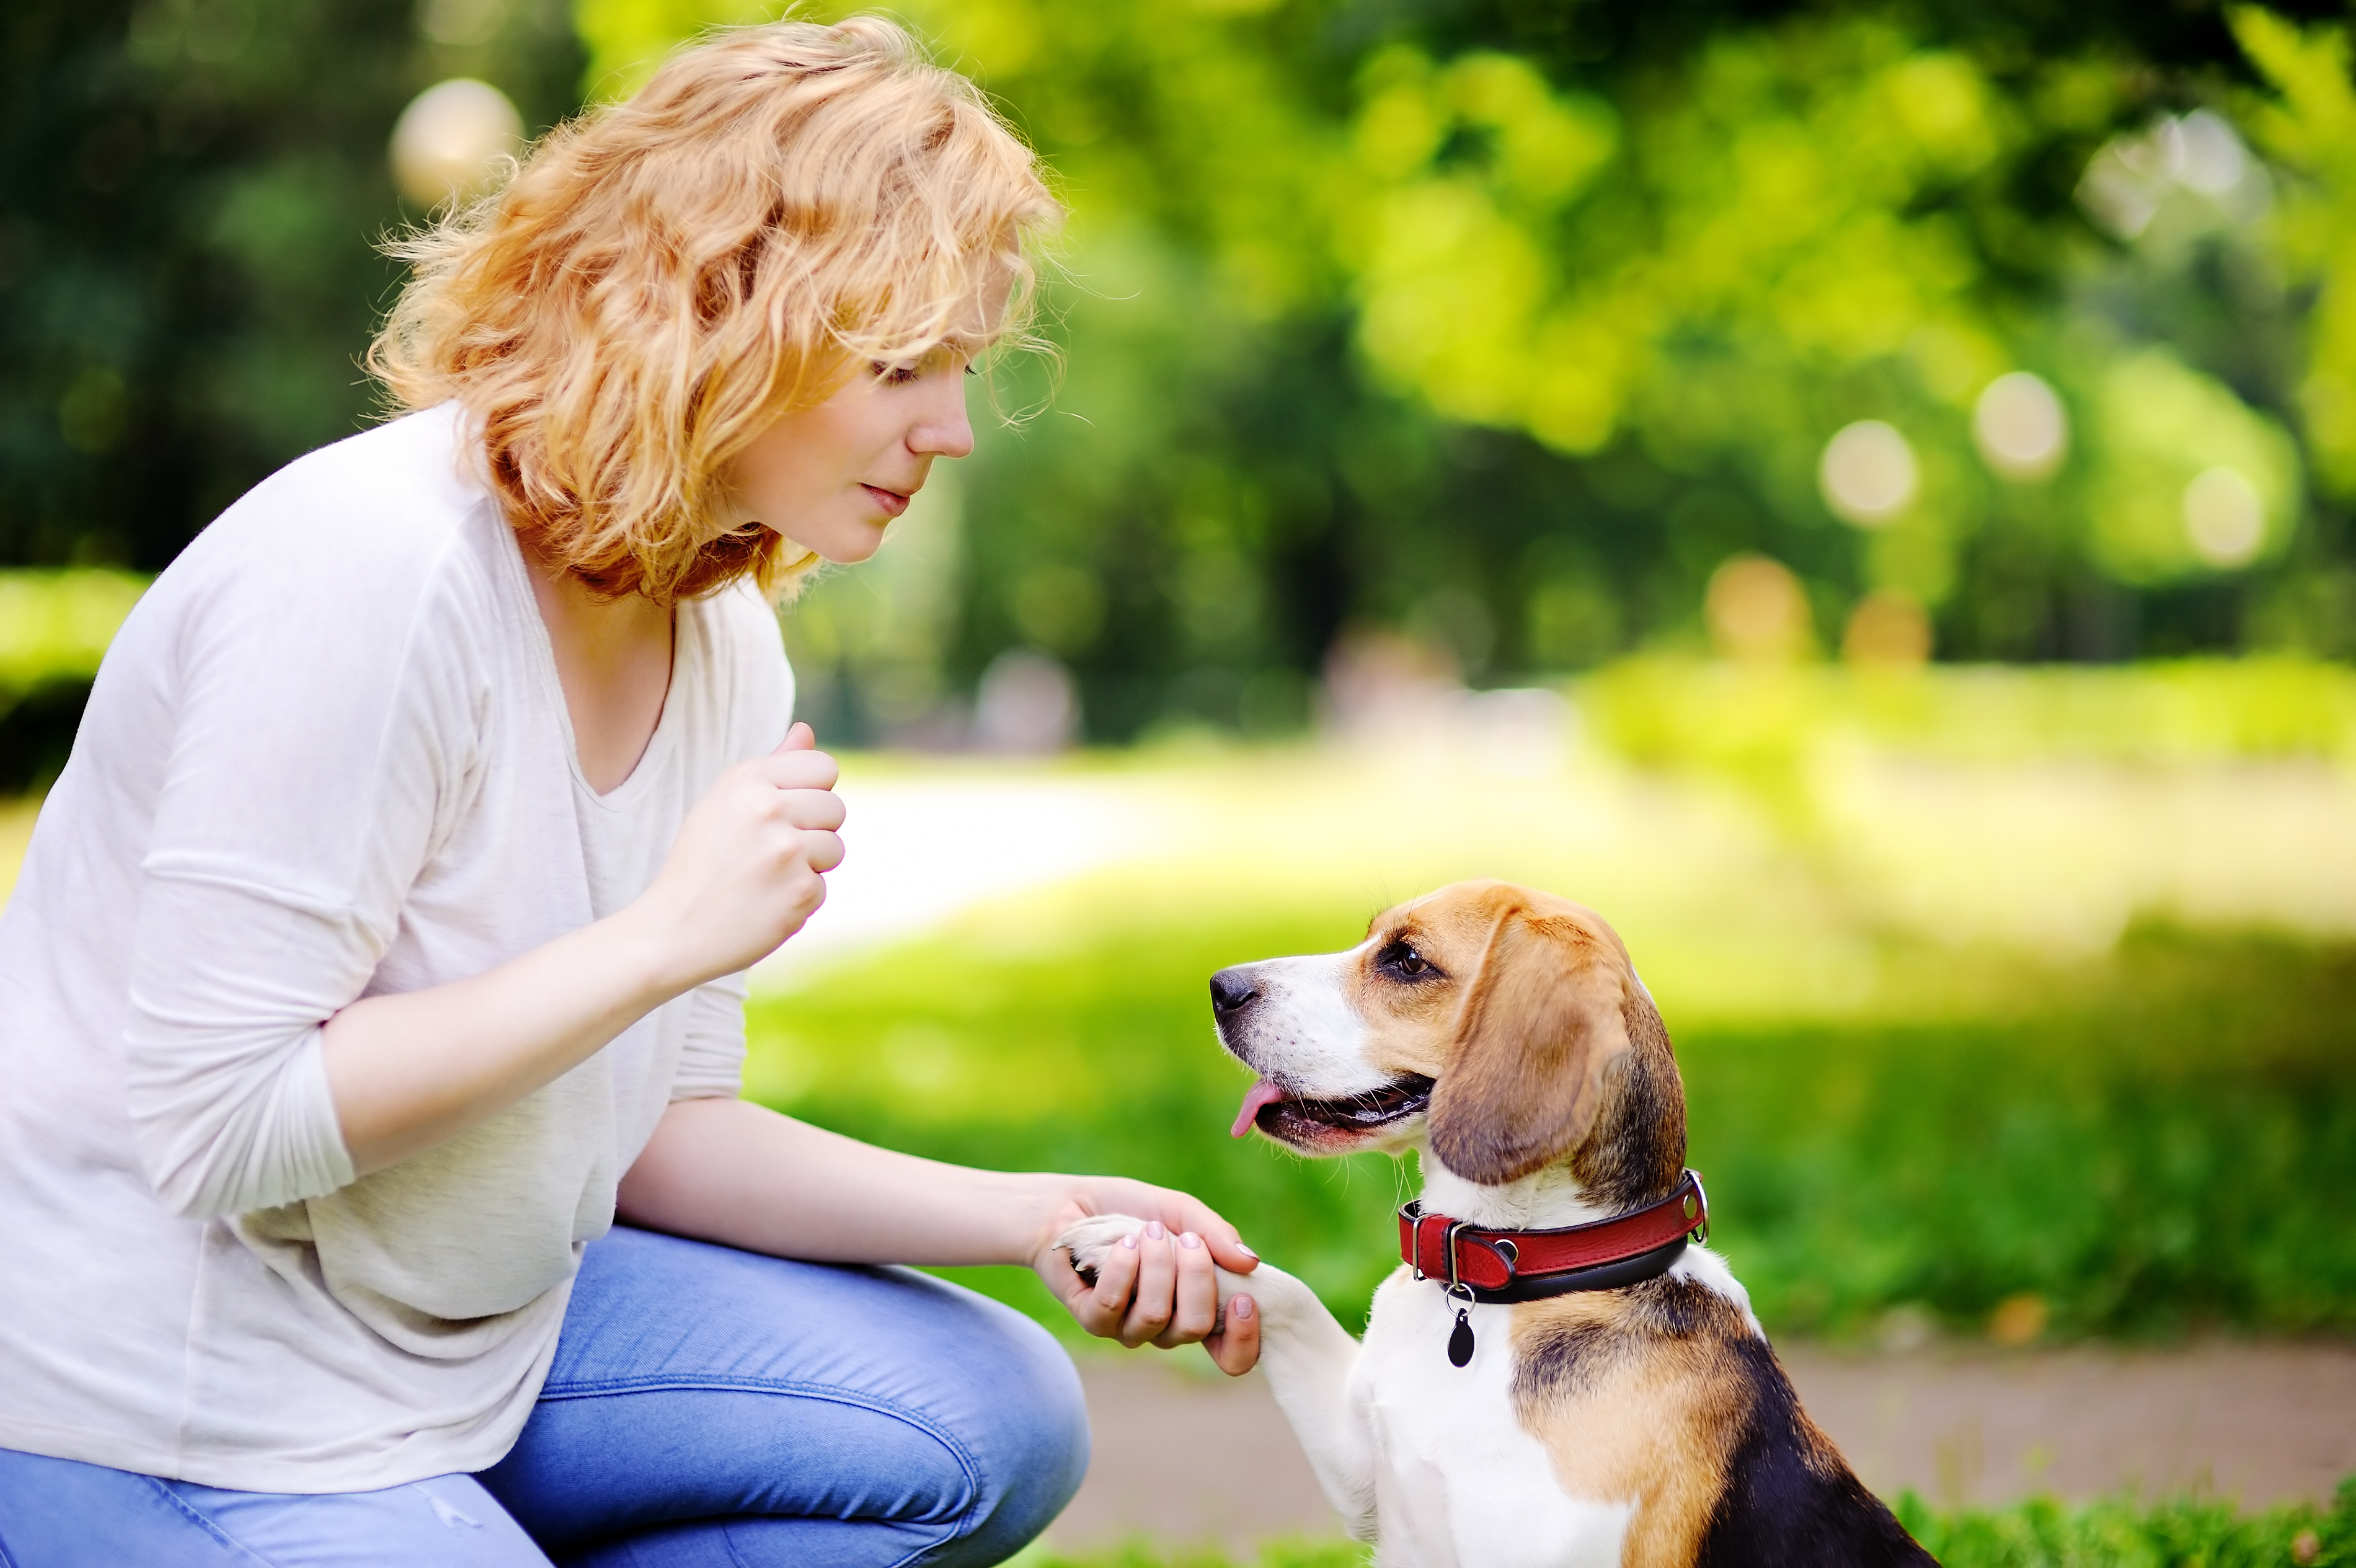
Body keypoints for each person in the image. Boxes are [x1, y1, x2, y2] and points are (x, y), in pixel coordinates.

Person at [0, 19, 1262, 1566]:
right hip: (176, 1390)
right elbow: (221, 1121)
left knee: (989, 1415)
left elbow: (659, 1134)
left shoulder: (719, 633)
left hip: (480, 1342)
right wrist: (658, 936)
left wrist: (1039, 1210)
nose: (948, 427)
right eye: (900, 366)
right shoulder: (375, 573)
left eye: (963, 368)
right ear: (722, 316)